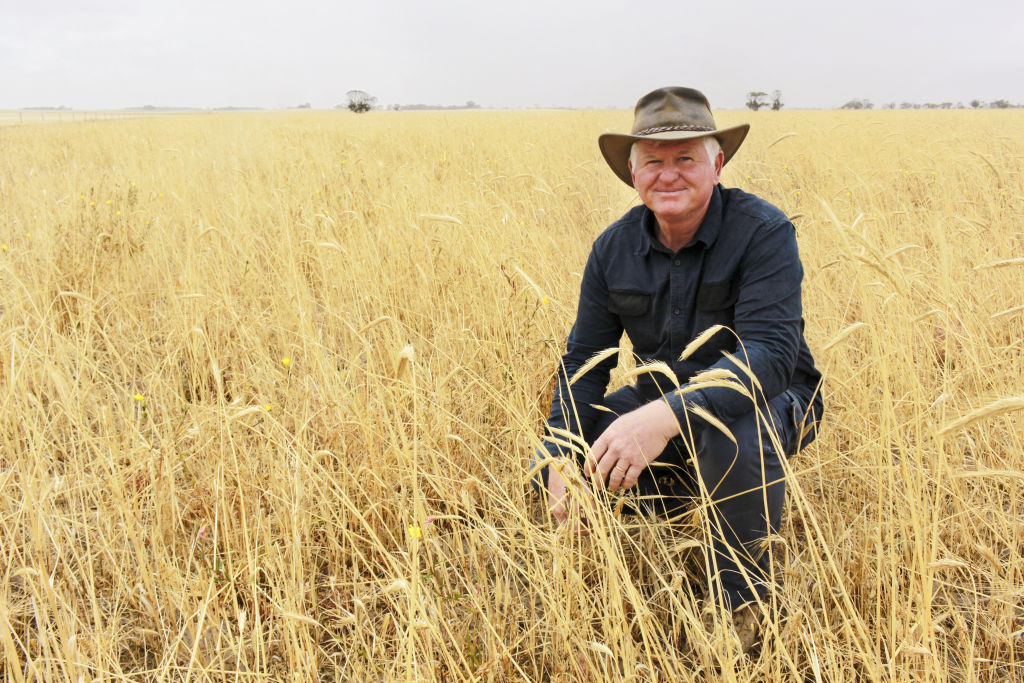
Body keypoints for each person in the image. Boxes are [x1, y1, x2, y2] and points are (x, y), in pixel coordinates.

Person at [534, 86, 823, 651]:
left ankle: (742, 613)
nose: (669, 174)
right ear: (632, 173)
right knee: (564, 450)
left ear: (717, 165)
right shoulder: (611, 248)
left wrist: (663, 417)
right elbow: (582, 364)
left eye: (686, 158)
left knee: (731, 432)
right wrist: (560, 456)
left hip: (777, 400)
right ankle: (649, 527)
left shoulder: (763, 232)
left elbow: (771, 357)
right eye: (654, 161)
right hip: (662, 396)